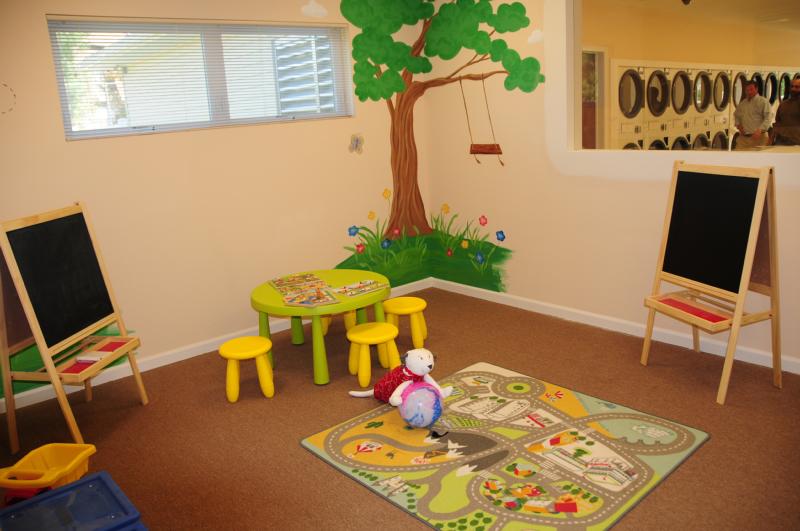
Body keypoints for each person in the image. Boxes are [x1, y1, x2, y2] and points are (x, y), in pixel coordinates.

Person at [733, 81, 771, 150]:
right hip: (743, 139)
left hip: (759, 138)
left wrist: (760, 130)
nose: (749, 92)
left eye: (751, 89)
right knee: (737, 157)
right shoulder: (743, 103)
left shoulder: (763, 102)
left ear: (756, 89)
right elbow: (736, 115)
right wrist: (738, 125)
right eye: (747, 90)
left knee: (757, 160)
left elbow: (768, 118)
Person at [771, 77, 800, 146]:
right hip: (782, 140)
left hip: (797, 141)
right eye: (792, 86)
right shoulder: (783, 104)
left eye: (797, 87)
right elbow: (778, 121)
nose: (793, 89)